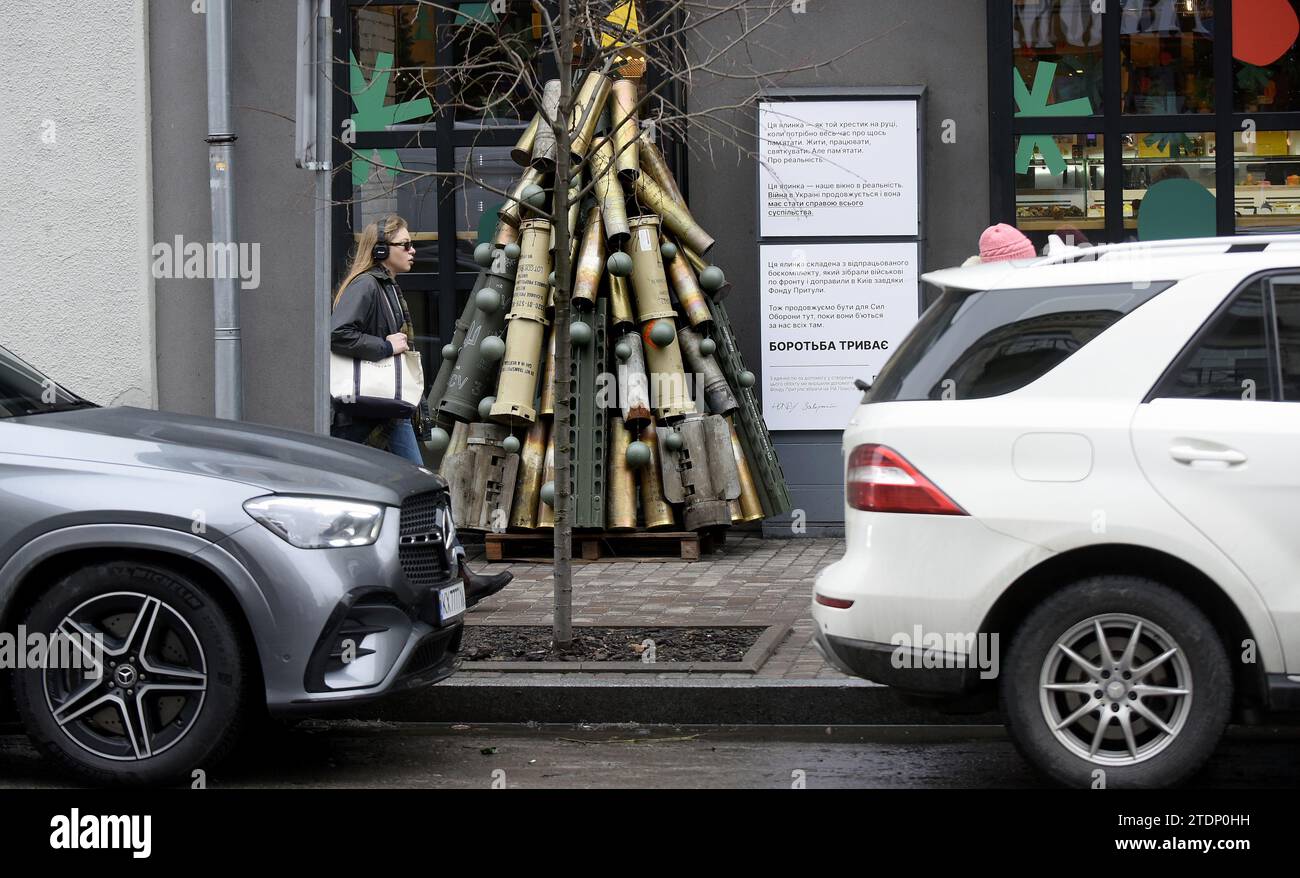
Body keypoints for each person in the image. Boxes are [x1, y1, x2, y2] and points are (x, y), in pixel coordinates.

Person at [330, 215, 510, 604]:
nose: (413, 251)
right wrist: (386, 346)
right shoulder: (366, 286)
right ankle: (446, 575)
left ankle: (453, 573)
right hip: (368, 414)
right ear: (381, 251)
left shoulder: (386, 286)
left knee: (420, 493)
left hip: (385, 413)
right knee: (409, 492)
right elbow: (338, 333)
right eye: (405, 245)